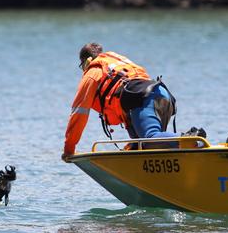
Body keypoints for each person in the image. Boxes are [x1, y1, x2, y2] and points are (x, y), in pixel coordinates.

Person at [62, 43, 204, 161]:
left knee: (151, 140)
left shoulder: (93, 72)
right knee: (145, 146)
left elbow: (79, 113)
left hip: (143, 98)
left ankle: (191, 139)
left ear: (86, 62)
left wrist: (69, 150)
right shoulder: (117, 66)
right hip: (161, 95)